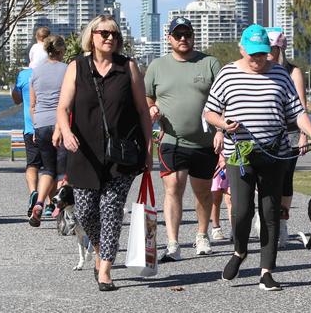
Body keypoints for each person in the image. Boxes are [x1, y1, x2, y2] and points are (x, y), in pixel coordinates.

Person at [204, 24, 311, 291]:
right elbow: (209, 111)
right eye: (253, 55)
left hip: (275, 152)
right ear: (242, 49)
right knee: (241, 211)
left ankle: (266, 271)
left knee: (270, 211)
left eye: (263, 54)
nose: (259, 59)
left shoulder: (281, 75)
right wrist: (224, 123)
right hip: (239, 153)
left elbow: (298, 112)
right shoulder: (227, 74)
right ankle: (239, 251)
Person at [55, 14, 152, 291]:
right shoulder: (77, 67)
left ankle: (106, 269)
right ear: (92, 36)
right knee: (85, 211)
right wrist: (66, 131)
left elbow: (143, 111)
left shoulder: (128, 67)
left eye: (115, 35)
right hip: (84, 152)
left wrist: (148, 149)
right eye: (104, 33)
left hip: (121, 154)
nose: (110, 38)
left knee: (110, 211)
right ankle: (99, 248)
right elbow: (62, 108)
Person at [145, 17, 223, 260]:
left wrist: (220, 130)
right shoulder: (157, 66)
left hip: (204, 141)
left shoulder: (209, 63)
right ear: (169, 38)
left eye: (187, 34)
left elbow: (224, 99)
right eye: (177, 35)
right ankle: (172, 242)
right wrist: (152, 110)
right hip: (171, 140)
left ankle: (201, 235)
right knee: (173, 188)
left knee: (202, 192)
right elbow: (147, 98)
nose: (182, 39)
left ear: (193, 36)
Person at [266, 28, 307, 248]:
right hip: (266, 133)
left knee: (285, 179)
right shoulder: (260, 70)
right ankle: (266, 217)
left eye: (273, 49)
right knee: (265, 177)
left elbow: (301, 107)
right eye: (267, 49)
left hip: (290, 133)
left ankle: (282, 222)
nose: (269, 53)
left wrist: (304, 135)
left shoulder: (293, 72)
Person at [27, 35, 68, 226]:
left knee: (47, 169)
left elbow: (32, 105)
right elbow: (71, 101)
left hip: (41, 123)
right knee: (62, 171)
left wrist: (35, 126)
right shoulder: (67, 70)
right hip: (61, 123)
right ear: (60, 51)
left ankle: (40, 203)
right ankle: (61, 213)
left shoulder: (35, 72)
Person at [12, 66, 41, 217]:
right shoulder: (60, 69)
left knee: (32, 165)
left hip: (30, 128)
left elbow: (16, 100)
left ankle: (33, 192)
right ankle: (48, 204)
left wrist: (15, 87)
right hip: (52, 126)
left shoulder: (23, 75)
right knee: (51, 168)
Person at [210, 154, 232, 240]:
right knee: (216, 198)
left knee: (231, 198)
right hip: (215, 161)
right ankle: (216, 227)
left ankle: (234, 228)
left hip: (231, 160)